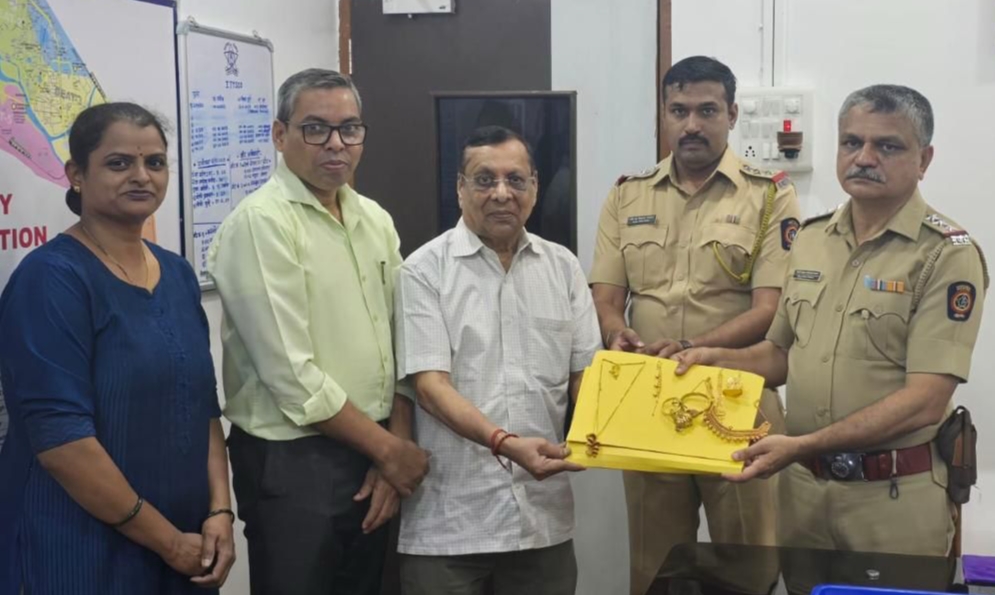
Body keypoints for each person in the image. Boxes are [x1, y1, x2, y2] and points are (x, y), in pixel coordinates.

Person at [674, 84, 987, 557]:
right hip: (804, 495)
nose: (864, 158)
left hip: (892, 500)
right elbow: (780, 355)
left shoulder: (945, 255)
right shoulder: (811, 239)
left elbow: (924, 402)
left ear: (923, 159)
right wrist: (710, 359)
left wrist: (802, 444)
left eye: (887, 146)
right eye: (851, 142)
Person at [207, 68, 429, 595]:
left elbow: (402, 337)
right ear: (280, 135)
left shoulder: (373, 218)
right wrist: (389, 450)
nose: (336, 144)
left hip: (371, 446)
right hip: (295, 461)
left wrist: (393, 442)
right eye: (315, 129)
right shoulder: (261, 223)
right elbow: (291, 375)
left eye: (349, 128)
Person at [0, 102, 235, 594]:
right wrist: (169, 543)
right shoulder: (50, 280)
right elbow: (63, 444)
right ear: (76, 175)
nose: (141, 176)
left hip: (186, 543)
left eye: (155, 162)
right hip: (77, 549)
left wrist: (220, 510)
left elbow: (204, 409)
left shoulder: (177, 273)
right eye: (119, 163)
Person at [589, 55, 801, 595]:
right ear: (663, 114)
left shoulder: (769, 194)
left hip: (738, 401)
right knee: (655, 566)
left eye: (707, 110)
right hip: (649, 402)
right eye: (678, 110)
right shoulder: (627, 194)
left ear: (732, 115)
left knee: (747, 565)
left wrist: (691, 346)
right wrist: (615, 332)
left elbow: (770, 309)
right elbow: (606, 297)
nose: (691, 125)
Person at [394, 125, 601, 595]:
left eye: (516, 180)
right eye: (485, 180)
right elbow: (430, 388)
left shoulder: (563, 267)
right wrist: (506, 444)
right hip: (450, 524)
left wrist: (625, 432)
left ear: (535, 187)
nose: (502, 193)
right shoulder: (424, 271)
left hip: (543, 520)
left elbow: (587, 379)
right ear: (460, 188)